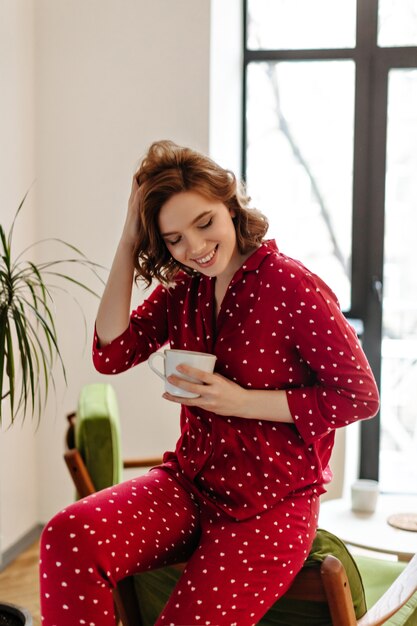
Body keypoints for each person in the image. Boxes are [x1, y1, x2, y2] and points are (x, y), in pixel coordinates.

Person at [39, 140, 379, 626]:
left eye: (204, 223)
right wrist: (128, 238)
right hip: (189, 484)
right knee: (68, 535)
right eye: (174, 239)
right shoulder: (184, 286)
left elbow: (360, 396)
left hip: (269, 508)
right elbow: (111, 354)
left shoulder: (292, 286)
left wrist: (243, 401)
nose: (194, 248)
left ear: (231, 205)